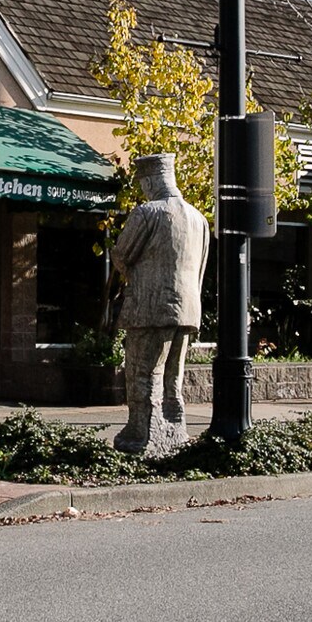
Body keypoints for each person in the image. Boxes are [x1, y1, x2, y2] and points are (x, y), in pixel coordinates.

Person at [111, 153, 210, 458]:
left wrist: (122, 265)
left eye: (143, 184)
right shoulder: (199, 218)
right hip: (187, 308)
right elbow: (201, 269)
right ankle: (174, 429)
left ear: (151, 181)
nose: (143, 190)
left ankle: (143, 432)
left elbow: (123, 254)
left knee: (142, 371)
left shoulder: (148, 212)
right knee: (173, 375)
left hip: (150, 307)